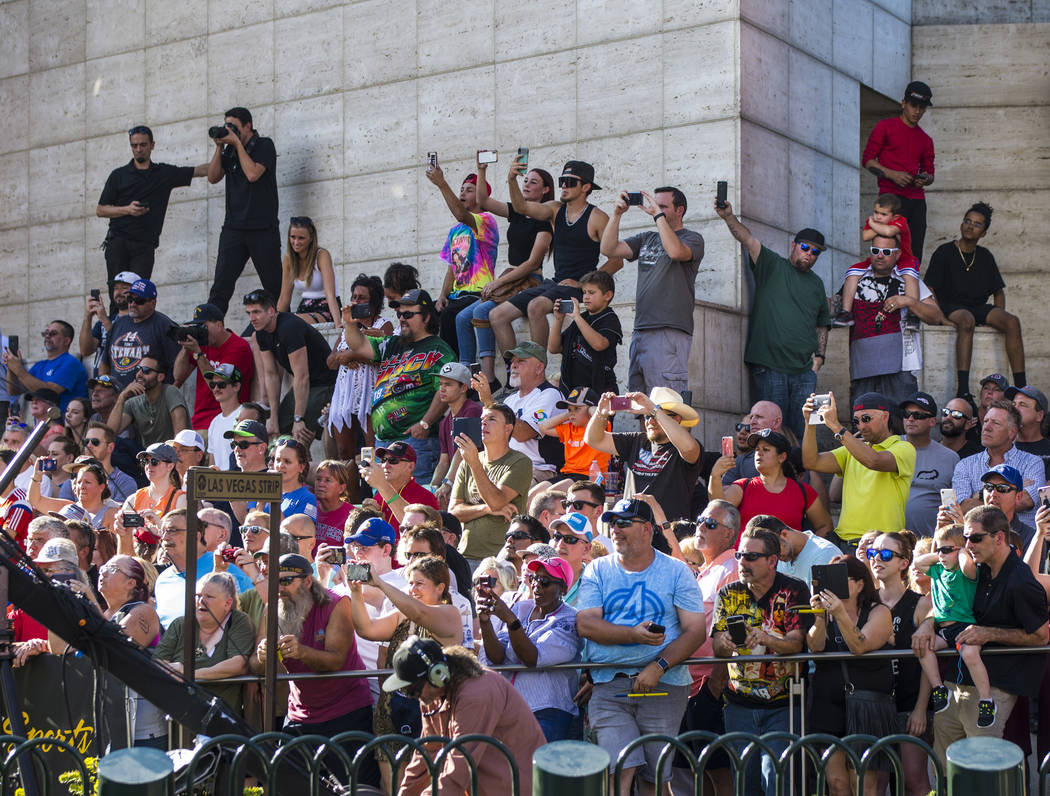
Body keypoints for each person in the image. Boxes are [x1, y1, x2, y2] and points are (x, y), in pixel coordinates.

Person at [576, 498, 706, 795]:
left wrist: (658, 667)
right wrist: (633, 635)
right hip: (609, 685)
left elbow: (695, 631)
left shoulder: (676, 570)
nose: (615, 530)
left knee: (654, 781)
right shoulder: (597, 569)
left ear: (647, 529)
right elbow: (586, 625)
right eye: (612, 523)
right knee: (616, 770)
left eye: (624, 523)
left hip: (665, 685)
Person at [913, 506, 1049, 761]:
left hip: (995, 686)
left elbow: (1041, 636)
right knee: (944, 766)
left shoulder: (1021, 582)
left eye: (975, 538)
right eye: (965, 538)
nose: (967, 545)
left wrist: (988, 633)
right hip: (956, 681)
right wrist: (927, 624)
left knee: (979, 768)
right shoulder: (976, 567)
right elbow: (947, 605)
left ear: (998, 538)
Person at [250, 554, 380, 787]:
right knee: (287, 785)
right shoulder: (272, 609)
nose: (279, 588)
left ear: (308, 581)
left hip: (346, 712)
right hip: (300, 713)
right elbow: (256, 666)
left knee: (354, 787)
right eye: (274, 581)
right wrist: (263, 657)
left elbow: (336, 661)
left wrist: (301, 652)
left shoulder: (337, 604)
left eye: (286, 581)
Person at [715, 200, 829, 441]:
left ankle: (803, 478)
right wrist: (728, 217)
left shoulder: (817, 284)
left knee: (806, 433)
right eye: (805, 247)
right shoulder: (773, 265)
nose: (809, 254)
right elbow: (748, 240)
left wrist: (819, 358)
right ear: (794, 245)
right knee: (770, 433)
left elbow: (822, 323)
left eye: (815, 252)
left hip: (805, 373)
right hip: (770, 367)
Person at [348, 553, 464, 787]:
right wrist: (356, 593)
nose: (412, 589)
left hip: (431, 720)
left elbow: (420, 613)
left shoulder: (450, 614)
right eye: (410, 583)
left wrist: (380, 583)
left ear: (440, 587)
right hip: (391, 717)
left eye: (419, 583)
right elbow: (366, 630)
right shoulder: (403, 615)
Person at [489, 159, 621, 362]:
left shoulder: (597, 217)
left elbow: (617, 260)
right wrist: (511, 179)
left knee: (535, 306)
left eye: (570, 181)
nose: (564, 186)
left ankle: (535, 369)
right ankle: (513, 376)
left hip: (576, 287)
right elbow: (521, 207)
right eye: (562, 181)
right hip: (555, 283)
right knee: (497, 315)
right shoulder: (555, 209)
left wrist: (585, 284)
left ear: (586, 187)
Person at [711, 524, 809, 796]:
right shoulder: (729, 593)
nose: (743, 561)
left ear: (772, 560)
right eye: (740, 555)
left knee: (776, 778)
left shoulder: (794, 589)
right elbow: (717, 645)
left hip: (784, 704)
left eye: (751, 556)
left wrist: (766, 639)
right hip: (738, 703)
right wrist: (725, 642)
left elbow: (796, 643)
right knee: (745, 783)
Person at [387, 636, 546, 796]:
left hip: (514, 787)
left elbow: (459, 766)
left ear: (437, 674)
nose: (411, 696)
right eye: (406, 691)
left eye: (413, 689)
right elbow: (427, 752)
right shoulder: (432, 695)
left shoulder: (476, 695)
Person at [339, 288, 454, 483]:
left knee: (415, 505)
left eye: (408, 314)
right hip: (383, 444)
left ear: (426, 317)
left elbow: (445, 389)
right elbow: (358, 345)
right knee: (384, 504)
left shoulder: (439, 348)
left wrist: (425, 423)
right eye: (400, 314)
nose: (402, 318)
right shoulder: (392, 344)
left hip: (416, 443)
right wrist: (350, 325)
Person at [599, 186, 704, 396]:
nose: (655, 209)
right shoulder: (647, 238)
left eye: (663, 206)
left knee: (666, 404)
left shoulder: (692, 238)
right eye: (654, 205)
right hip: (641, 330)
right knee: (639, 403)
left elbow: (675, 251)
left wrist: (658, 216)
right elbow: (608, 249)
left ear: (680, 210)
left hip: (669, 331)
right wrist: (617, 214)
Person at [806, 555, 896, 796]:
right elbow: (814, 646)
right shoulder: (827, 614)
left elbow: (860, 646)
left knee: (863, 783)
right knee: (836, 783)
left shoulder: (879, 612)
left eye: (840, 579)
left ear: (859, 584)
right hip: (828, 706)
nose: (832, 587)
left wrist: (841, 614)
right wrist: (820, 617)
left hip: (867, 706)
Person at [671, 501, 739, 796]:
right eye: (700, 520)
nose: (700, 527)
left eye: (710, 524)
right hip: (690, 684)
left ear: (729, 535)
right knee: (699, 773)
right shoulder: (707, 570)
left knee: (718, 773)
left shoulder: (732, 567)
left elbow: (734, 630)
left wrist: (716, 683)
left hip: (712, 686)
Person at [924, 203, 1025, 395]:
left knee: (1012, 321)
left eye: (977, 224)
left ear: (984, 233)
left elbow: (998, 292)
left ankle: (1021, 387)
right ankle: (963, 389)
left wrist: (998, 315)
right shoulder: (944, 252)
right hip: (951, 306)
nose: (970, 226)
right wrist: (941, 317)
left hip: (978, 306)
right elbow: (929, 287)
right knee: (967, 320)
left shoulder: (985, 256)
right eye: (967, 221)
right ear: (962, 224)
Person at [478, 556, 582, 741]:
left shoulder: (570, 619)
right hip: (507, 707)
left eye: (545, 581)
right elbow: (496, 656)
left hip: (548, 711)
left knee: (532, 768)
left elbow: (532, 658)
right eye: (534, 579)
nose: (536, 585)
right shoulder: (521, 608)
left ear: (564, 589)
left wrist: (510, 620)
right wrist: (485, 622)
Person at [469, 161, 554, 384]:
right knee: (464, 315)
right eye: (525, 180)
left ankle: (512, 375)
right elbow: (483, 202)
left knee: (484, 311)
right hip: (511, 279)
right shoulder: (516, 211)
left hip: (530, 280)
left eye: (533, 182)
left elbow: (532, 262)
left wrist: (498, 282)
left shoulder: (545, 220)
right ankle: (506, 374)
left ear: (545, 190)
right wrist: (482, 170)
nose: (527, 184)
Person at [867, 531, 934, 796]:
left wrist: (920, 708)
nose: (877, 560)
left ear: (904, 562)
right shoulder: (866, 602)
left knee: (913, 781)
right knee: (877, 782)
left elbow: (929, 661)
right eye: (873, 553)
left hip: (909, 703)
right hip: (874, 703)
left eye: (885, 555)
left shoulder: (920, 603)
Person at [840, 235, 945, 405]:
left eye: (886, 252)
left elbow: (936, 316)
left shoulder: (908, 278)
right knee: (862, 428)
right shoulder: (856, 277)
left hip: (901, 370)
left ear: (897, 255)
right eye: (875, 251)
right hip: (863, 370)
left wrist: (909, 301)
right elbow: (838, 311)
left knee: (900, 426)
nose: (880, 255)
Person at [96, 125, 207, 283]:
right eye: (134, 146)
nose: (139, 149)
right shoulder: (118, 175)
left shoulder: (162, 173)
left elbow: (199, 171)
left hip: (144, 245)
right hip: (118, 242)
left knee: (139, 294)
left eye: (143, 145)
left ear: (152, 145)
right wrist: (128, 210)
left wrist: (221, 155)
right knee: (118, 295)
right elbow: (101, 210)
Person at [910, 523, 996, 727]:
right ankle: (938, 688)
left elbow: (968, 567)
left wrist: (962, 552)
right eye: (939, 549)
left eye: (947, 550)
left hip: (965, 626)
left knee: (969, 654)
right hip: (943, 630)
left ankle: (986, 700)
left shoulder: (966, 571)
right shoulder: (937, 568)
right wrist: (941, 552)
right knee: (924, 647)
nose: (942, 555)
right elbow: (918, 562)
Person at [803, 391, 916, 545]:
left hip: (883, 544)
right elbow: (811, 462)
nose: (861, 426)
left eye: (866, 419)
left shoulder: (904, 448)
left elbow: (873, 461)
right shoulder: (852, 449)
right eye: (856, 421)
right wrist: (810, 424)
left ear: (885, 417)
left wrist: (837, 427)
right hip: (845, 541)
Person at [206, 107, 281, 314]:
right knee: (220, 286)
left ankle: (281, 329)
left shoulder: (264, 145)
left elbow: (252, 174)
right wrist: (219, 148)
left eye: (233, 126)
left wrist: (237, 144)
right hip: (234, 228)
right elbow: (213, 177)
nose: (229, 130)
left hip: (263, 228)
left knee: (274, 287)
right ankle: (211, 330)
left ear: (248, 125)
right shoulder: (229, 151)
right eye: (226, 126)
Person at [586, 388, 701, 522]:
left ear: (676, 419)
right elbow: (593, 440)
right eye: (647, 416)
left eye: (655, 416)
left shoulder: (684, 447)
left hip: (667, 534)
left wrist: (653, 409)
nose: (650, 421)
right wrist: (601, 413)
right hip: (630, 528)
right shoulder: (636, 440)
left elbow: (689, 448)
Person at [425, 161, 499, 357]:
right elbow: (452, 267)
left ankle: (455, 368)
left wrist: (442, 183)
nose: (463, 194)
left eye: (469, 190)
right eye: (462, 190)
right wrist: (442, 295)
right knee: (422, 311)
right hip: (457, 295)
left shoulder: (486, 220)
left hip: (477, 293)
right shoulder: (455, 231)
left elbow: (460, 213)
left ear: (481, 196)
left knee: (450, 315)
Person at [154, 570, 253, 715]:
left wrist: (187, 673)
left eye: (209, 597)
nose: (201, 601)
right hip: (182, 717)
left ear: (228, 603)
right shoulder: (181, 624)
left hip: (222, 719)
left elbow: (238, 665)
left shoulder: (238, 621)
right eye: (198, 596)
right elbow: (158, 662)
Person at [243, 289, 335, 443]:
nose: (252, 318)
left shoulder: (289, 327)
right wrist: (273, 417)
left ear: (271, 311)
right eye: (249, 313)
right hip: (305, 384)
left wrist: (298, 418)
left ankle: (302, 460)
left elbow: (302, 375)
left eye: (256, 312)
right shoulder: (261, 333)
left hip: (326, 383)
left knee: (298, 434)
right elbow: (271, 374)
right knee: (278, 430)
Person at [709, 428, 832, 540]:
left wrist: (808, 552)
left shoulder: (803, 491)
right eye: (757, 449)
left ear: (782, 457)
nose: (759, 453)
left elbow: (825, 526)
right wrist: (715, 476)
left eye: (765, 449)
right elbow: (718, 509)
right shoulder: (743, 486)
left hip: (788, 563)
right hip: (747, 561)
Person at [449, 403, 532, 567]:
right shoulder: (468, 462)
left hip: (500, 559)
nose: (483, 423)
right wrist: (487, 509)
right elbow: (454, 512)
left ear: (507, 429)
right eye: (482, 420)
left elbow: (497, 501)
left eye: (491, 419)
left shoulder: (520, 462)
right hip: (465, 556)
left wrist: (475, 464)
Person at [861, 80, 935, 262]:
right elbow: (868, 160)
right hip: (890, 199)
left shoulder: (926, 140)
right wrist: (892, 174)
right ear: (903, 103)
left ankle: (910, 287)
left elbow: (930, 173)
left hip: (916, 200)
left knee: (914, 252)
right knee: (885, 247)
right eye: (913, 105)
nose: (917, 111)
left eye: (922, 108)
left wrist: (923, 179)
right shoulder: (885, 127)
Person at [97, 554, 166, 747]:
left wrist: (90, 604)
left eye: (111, 569)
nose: (102, 572)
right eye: (102, 567)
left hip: (144, 732)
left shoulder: (144, 611)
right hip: (112, 728)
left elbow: (115, 648)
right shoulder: (105, 613)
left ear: (131, 583)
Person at [326, 274, 394, 463]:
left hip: (371, 393)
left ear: (374, 301)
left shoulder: (384, 325)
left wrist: (353, 355)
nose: (356, 301)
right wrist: (344, 359)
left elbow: (387, 359)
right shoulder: (347, 327)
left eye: (361, 298)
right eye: (354, 297)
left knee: (371, 449)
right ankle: (348, 492)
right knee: (343, 453)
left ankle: (371, 490)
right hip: (344, 395)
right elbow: (330, 362)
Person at [834, 193, 921, 327]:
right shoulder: (877, 223)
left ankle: (913, 314)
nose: (878, 216)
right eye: (876, 212)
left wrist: (871, 223)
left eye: (883, 214)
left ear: (895, 216)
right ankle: (846, 313)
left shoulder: (900, 221)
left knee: (910, 276)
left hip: (903, 258)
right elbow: (865, 236)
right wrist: (877, 224)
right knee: (852, 272)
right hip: (880, 256)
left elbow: (889, 232)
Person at [952, 400, 1043, 525]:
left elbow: (1027, 500)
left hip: (1022, 540)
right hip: (979, 541)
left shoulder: (1033, 462)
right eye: (985, 421)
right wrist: (1009, 491)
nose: (987, 428)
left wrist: (977, 496)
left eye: (995, 423)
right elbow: (961, 508)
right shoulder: (965, 465)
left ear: (1012, 432)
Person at [171, 303, 253, 432]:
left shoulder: (238, 347)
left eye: (204, 326)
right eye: (197, 327)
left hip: (226, 419)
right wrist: (185, 347)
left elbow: (217, 384)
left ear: (219, 325)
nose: (200, 330)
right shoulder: (203, 344)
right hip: (199, 421)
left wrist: (198, 353)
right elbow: (178, 375)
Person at [547, 270, 622, 395]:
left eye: (591, 293)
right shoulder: (582, 318)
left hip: (600, 390)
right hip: (574, 391)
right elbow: (554, 348)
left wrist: (577, 317)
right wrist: (559, 320)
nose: (586, 297)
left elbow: (599, 344)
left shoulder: (609, 318)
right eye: (584, 292)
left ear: (607, 295)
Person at [99, 278, 180, 390]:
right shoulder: (118, 323)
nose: (132, 304)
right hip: (117, 398)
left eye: (139, 300)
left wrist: (168, 395)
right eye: (130, 299)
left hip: (148, 399)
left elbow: (178, 367)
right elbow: (104, 363)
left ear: (153, 303)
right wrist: (103, 388)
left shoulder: (165, 326)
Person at [900, 392, 959, 537]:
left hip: (930, 542)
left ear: (932, 421)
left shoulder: (950, 458)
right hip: (888, 542)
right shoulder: (888, 447)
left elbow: (955, 505)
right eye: (907, 414)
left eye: (918, 415)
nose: (911, 419)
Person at [4, 320, 87, 414]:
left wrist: (18, 369)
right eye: (46, 333)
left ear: (66, 340)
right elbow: (14, 391)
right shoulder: (39, 365)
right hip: (42, 425)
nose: (47, 336)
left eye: (53, 333)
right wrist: (11, 367)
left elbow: (49, 393)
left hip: (64, 425)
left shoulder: (71, 363)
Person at [107, 353, 188, 447]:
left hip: (171, 455)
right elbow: (110, 434)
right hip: (148, 458)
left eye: (146, 371)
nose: (139, 374)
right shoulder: (133, 402)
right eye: (138, 369)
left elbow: (180, 435)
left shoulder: (170, 392)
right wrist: (122, 397)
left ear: (160, 377)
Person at [360, 441, 438, 536]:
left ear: (410, 466)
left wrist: (383, 486)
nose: (385, 465)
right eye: (384, 460)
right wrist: (369, 514)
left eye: (393, 460)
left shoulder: (426, 497)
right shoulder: (379, 496)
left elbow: (420, 533)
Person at [430, 362, 482, 497]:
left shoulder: (472, 410)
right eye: (441, 384)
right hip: (458, 482)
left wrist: (447, 483)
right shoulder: (444, 422)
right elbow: (443, 461)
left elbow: (462, 452)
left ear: (464, 387)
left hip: (475, 483)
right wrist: (432, 487)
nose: (442, 388)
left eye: (448, 384)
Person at [277, 216, 340, 325]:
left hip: (325, 307)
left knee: (294, 321)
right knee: (276, 321)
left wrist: (338, 323)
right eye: (293, 237)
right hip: (304, 307)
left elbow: (330, 293)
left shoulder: (321, 255)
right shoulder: (289, 258)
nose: (296, 242)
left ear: (311, 238)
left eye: (301, 238)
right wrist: (274, 320)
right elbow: (284, 298)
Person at [538, 387, 611, 480]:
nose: (572, 413)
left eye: (577, 408)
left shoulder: (600, 426)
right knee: (537, 492)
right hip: (567, 474)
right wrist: (568, 414)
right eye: (569, 409)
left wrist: (590, 410)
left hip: (591, 477)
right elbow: (543, 427)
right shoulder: (569, 428)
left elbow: (600, 414)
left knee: (551, 492)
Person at [28, 458, 119, 531]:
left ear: (101, 487)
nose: (81, 486)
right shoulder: (68, 507)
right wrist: (37, 476)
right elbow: (35, 500)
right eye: (78, 481)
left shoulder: (113, 513)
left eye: (87, 482)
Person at [81, 273, 135, 378]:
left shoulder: (137, 320)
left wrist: (104, 319)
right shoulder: (106, 320)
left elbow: (123, 346)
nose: (118, 292)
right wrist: (88, 317)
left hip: (122, 380)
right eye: (115, 288)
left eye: (124, 288)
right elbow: (85, 350)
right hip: (100, 382)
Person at [79, 423, 139, 503]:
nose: (89, 446)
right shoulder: (75, 479)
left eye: (95, 442)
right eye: (86, 441)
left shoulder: (125, 482)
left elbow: (117, 514)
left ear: (110, 447)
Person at [202, 364, 243, 470]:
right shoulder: (214, 422)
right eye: (212, 385)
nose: (216, 388)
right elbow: (212, 463)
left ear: (236, 386)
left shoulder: (245, 415)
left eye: (222, 384)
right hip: (218, 484)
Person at [1008, 384, 1050, 479]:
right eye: (1013, 404)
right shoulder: (1001, 446)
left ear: (1039, 415)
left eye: (1022, 404)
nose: (1014, 409)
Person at [313, 460, 352, 549]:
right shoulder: (309, 508)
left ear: (341, 488)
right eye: (318, 479)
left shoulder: (351, 515)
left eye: (327, 480)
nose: (321, 484)